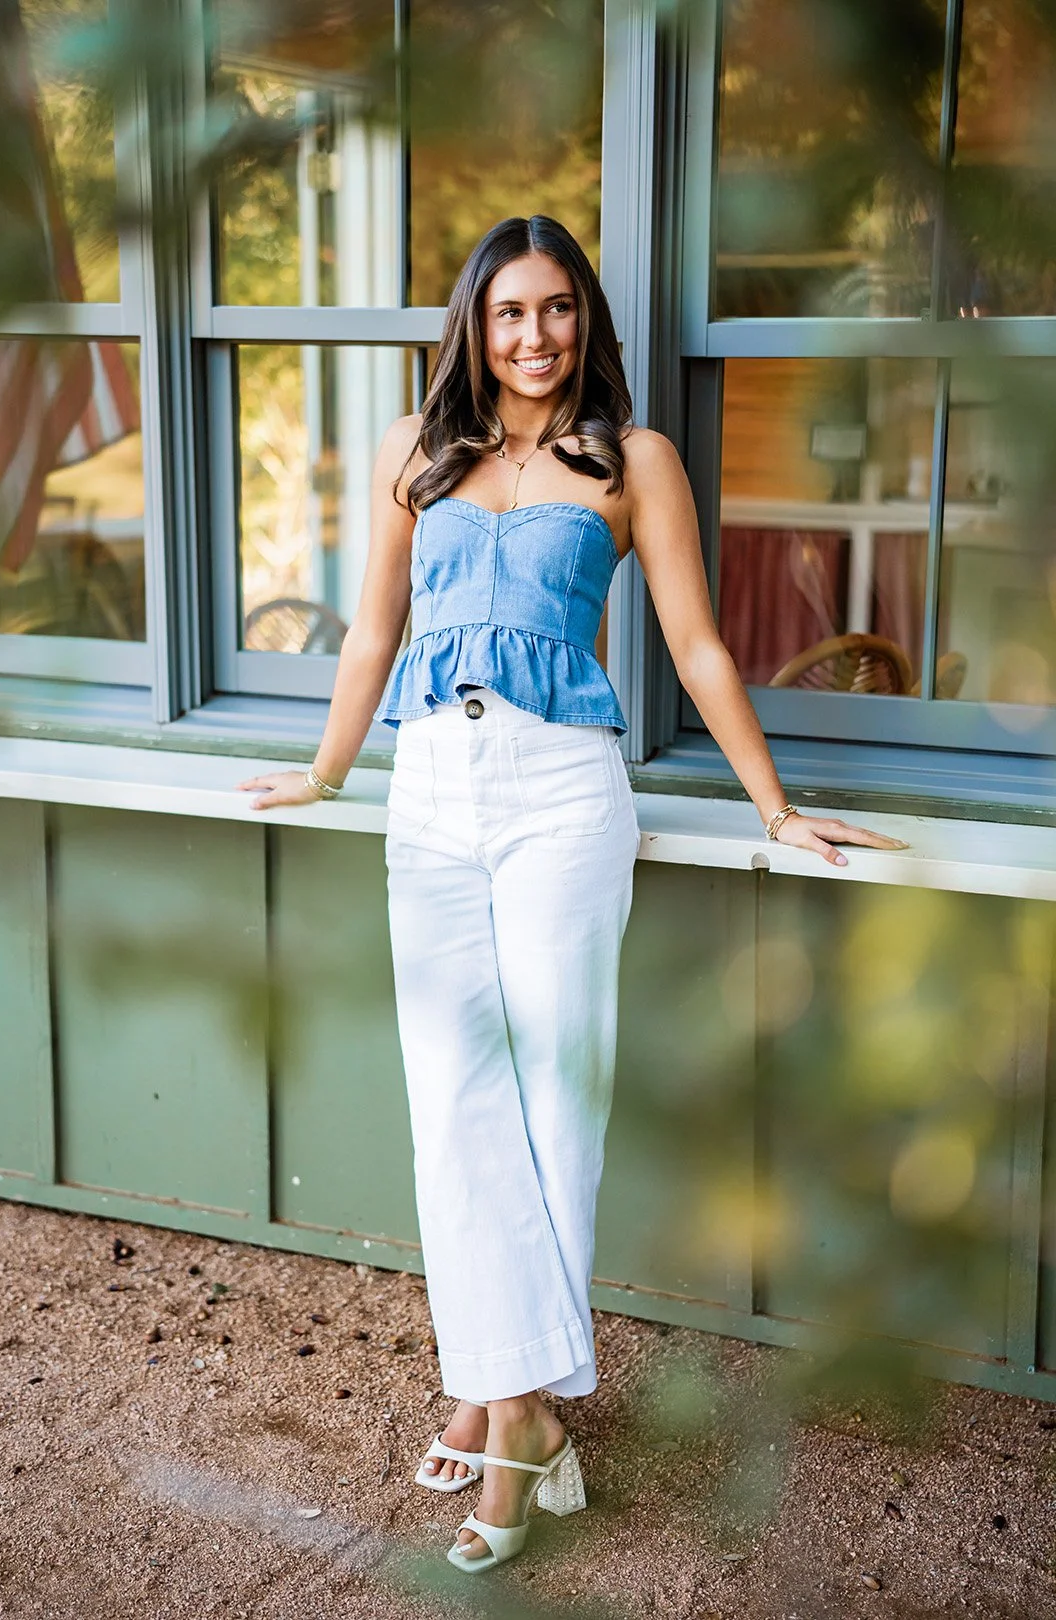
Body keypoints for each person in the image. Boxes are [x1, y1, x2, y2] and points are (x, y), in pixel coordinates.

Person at [237, 214, 907, 1574]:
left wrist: (774, 804)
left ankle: (516, 1410)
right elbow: (373, 631)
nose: (534, 337)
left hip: (561, 797)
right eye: (508, 314)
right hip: (429, 793)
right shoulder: (413, 456)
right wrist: (323, 771)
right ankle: (502, 1390)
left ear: (583, 323)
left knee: (553, 1101)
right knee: (453, 1110)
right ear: (473, 328)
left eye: (556, 311)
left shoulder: (633, 461)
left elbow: (700, 645)